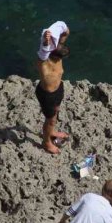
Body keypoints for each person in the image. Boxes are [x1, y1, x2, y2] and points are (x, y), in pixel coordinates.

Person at [35, 20, 70, 154]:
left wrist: (63, 28)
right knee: (50, 120)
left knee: (55, 113)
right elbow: (43, 51)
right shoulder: (43, 62)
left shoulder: (58, 55)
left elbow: (65, 33)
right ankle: (46, 142)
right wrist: (45, 42)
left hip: (58, 89)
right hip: (47, 94)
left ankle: (52, 131)